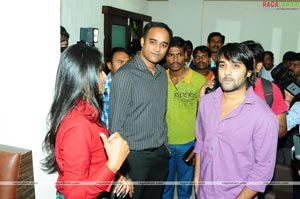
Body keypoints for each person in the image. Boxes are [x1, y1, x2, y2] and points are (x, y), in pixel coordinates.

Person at [41, 42, 130, 199]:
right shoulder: (78, 125)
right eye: (100, 71)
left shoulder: (85, 109)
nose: (104, 76)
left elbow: (92, 164)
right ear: (83, 77)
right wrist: (113, 165)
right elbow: (75, 194)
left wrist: (115, 176)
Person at [193, 43, 278, 199]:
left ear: (249, 73)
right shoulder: (205, 103)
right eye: (222, 65)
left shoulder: (263, 116)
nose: (227, 72)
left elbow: (263, 171)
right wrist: (197, 180)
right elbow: (200, 142)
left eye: (236, 66)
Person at [109, 21, 173, 199]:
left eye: (163, 44)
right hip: (132, 159)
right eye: (153, 42)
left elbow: (161, 114)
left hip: (159, 156)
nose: (158, 49)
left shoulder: (161, 74)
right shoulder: (125, 75)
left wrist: (165, 148)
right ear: (143, 41)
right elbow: (114, 129)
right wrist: (122, 172)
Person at [162, 36, 206, 199]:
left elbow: (204, 117)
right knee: (164, 188)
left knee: (185, 188)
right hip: (163, 143)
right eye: (171, 55)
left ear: (186, 55)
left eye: (179, 54)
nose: (175, 59)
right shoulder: (159, 77)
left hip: (188, 143)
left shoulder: (198, 80)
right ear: (165, 56)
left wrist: (199, 145)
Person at [101, 47, 130, 128]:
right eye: (120, 62)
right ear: (109, 65)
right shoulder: (101, 87)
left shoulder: (135, 85)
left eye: (128, 63)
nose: (126, 66)